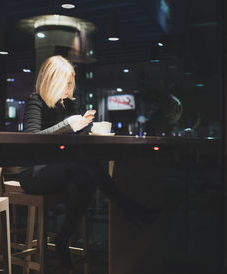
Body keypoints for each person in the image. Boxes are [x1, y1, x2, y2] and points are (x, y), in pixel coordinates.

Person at [19, 55, 158, 270]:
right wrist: (67, 125)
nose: (68, 88)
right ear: (51, 80)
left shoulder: (69, 104)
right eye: (64, 82)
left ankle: (63, 239)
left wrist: (86, 128)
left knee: (85, 180)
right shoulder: (35, 102)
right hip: (35, 173)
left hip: (64, 169)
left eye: (70, 83)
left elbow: (76, 137)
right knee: (85, 166)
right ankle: (128, 208)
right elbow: (32, 138)